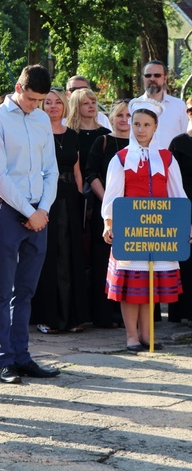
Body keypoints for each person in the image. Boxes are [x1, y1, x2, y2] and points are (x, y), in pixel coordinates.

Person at [0, 64, 60, 384]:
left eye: (39, 100)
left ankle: (23, 355)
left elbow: (50, 169)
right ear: (17, 88)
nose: (34, 105)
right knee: (1, 289)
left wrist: (42, 209)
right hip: (8, 214)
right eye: (29, 98)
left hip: (39, 213)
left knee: (26, 290)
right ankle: (4, 359)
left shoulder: (41, 119)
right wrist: (29, 211)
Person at [102, 98, 186, 351]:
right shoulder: (121, 158)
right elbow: (113, 195)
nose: (140, 129)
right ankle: (131, 336)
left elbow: (177, 194)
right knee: (131, 285)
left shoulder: (167, 158)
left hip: (159, 229)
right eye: (136, 123)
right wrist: (108, 223)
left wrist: (185, 226)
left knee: (150, 284)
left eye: (146, 124)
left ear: (155, 126)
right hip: (129, 228)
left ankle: (148, 335)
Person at [31, 88, 88, 334]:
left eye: (57, 102)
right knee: (49, 256)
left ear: (64, 105)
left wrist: (80, 202)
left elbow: (77, 172)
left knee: (71, 255)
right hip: (45, 200)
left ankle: (73, 317)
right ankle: (48, 317)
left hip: (70, 201)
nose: (53, 106)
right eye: (48, 102)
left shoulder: (73, 135)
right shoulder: (36, 133)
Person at [84, 100, 131, 328]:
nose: (125, 120)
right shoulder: (102, 141)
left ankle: (130, 316)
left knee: (132, 264)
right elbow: (90, 174)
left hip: (135, 214)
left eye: (128, 115)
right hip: (107, 213)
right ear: (112, 118)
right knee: (103, 263)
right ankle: (104, 315)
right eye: (120, 115)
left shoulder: (143, 144)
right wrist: (109, 203)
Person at [168, 96, 192, 326]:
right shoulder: (178, 143)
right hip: (184, 203)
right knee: (184, 258)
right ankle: (182, 312)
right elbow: (171, 180)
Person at [136, 61, 188, 148]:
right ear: (143, 78)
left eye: (157, 75)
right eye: (148, 75)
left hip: (172, 160)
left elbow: (183, 138)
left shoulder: (179, 106)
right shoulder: (134, 105)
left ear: (165, 78)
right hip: (142, 160)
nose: (152, 79)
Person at [66, 88, 111, 178]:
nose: (91, 106)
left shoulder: (106, 134)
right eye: (86, 103)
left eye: (93, 102)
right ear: (76, 107)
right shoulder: (69, 134)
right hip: (75, 185)